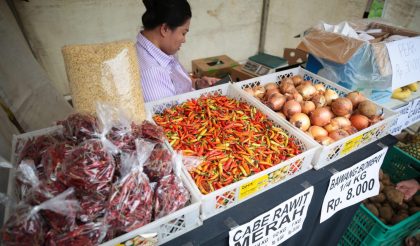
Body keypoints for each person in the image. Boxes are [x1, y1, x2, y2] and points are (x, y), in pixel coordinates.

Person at [136, 0, 219, 102]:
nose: (184, 40)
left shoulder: (161, 50)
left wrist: (197, 83)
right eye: (183, 33)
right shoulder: (152, 74)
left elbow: (177, 84)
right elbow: (173, 115)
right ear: (165, 29)